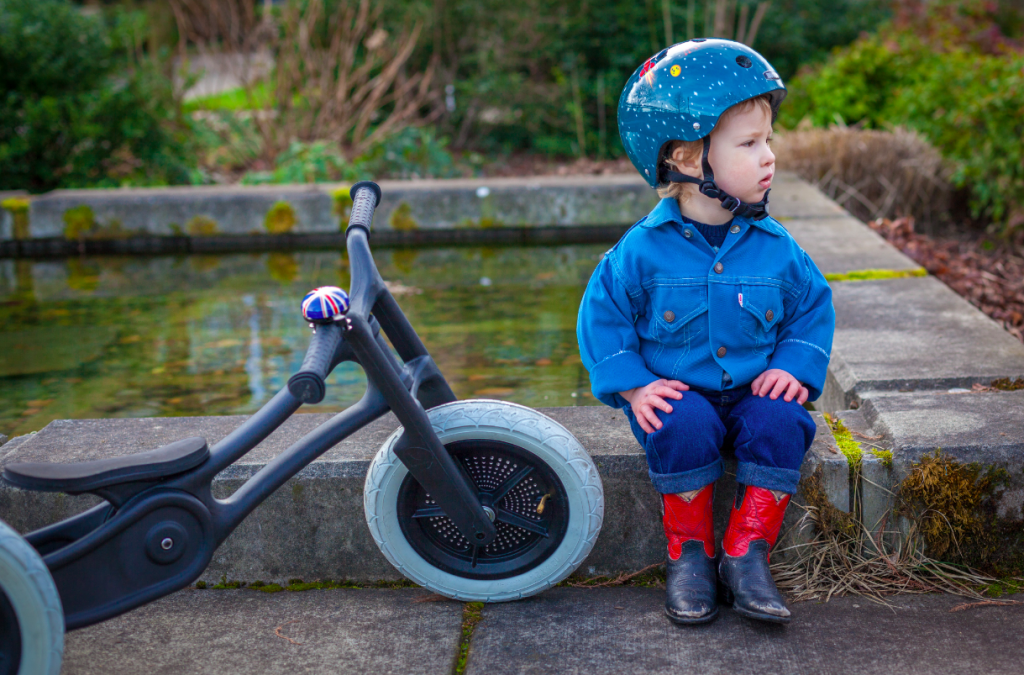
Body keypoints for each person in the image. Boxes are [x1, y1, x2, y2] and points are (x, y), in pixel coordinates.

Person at [576, 38, 835, 625]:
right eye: (749, 143)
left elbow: (812, 307)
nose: (769, 155)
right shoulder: (639, 252)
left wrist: (793, 366)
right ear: (690, 160)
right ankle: (689, 553)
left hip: (751, 392)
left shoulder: (777, 248)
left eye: (768, 139)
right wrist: (635, 387)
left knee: (783, 419)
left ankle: (747, 553)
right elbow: (603, 318)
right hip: (680, 393)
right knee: (679, 420)